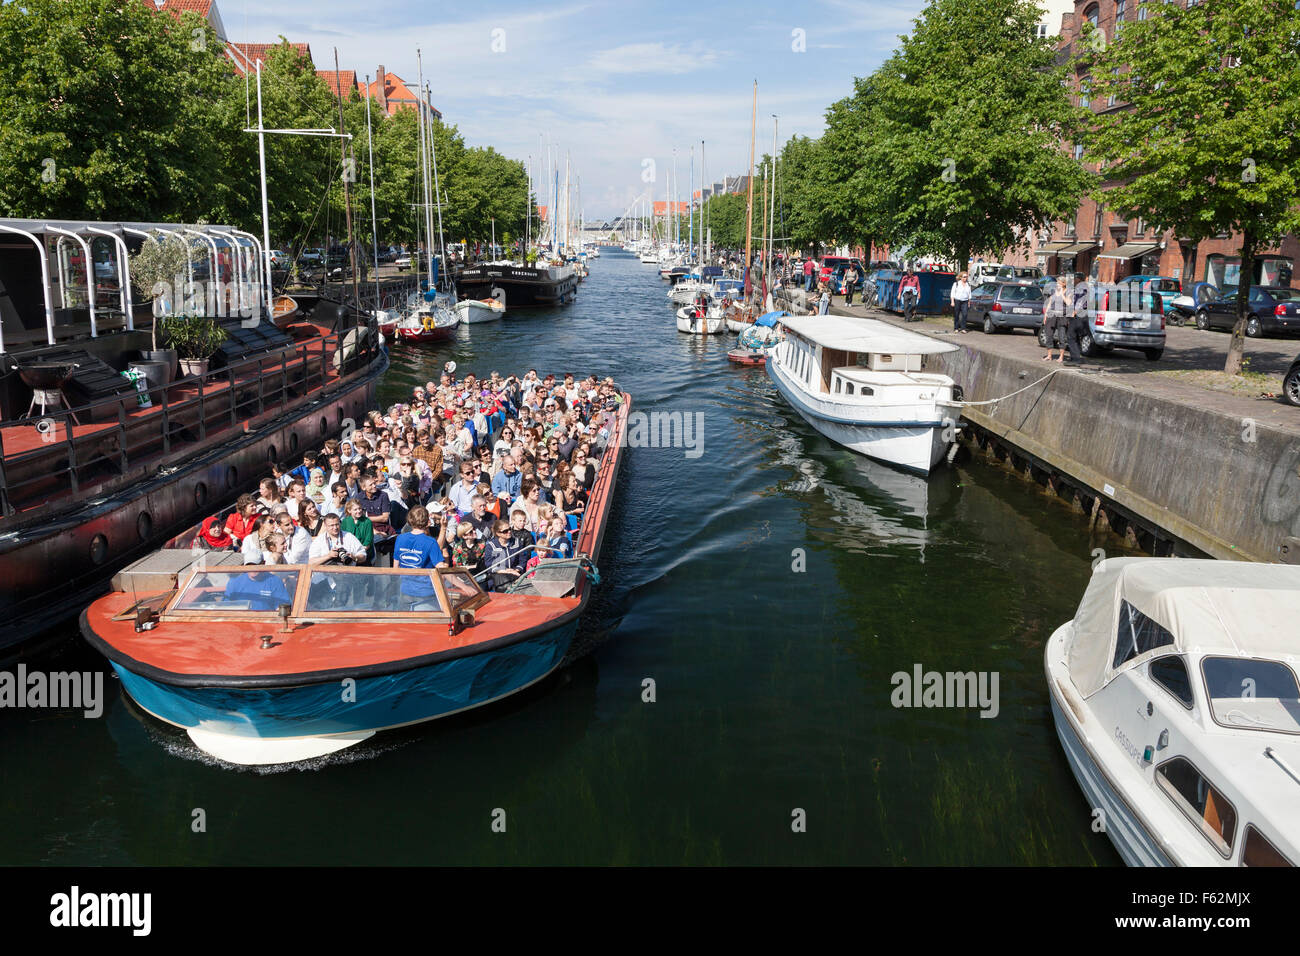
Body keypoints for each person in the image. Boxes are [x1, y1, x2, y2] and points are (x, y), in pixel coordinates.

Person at [392, 506, 448, 610]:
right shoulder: (430, 542)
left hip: (405, 590)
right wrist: (463, 586)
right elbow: (441, 567)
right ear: (428, 522)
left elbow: (396, 568)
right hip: (425, 593)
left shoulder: (400, 538)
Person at [223, 567, 292, 611]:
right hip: (240, 622)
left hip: (266, 623)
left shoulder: (274, 581)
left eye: (256, 564)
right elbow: (225, 606)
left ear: (262, 563)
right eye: (250, 565)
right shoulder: (235, 581)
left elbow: (282, 606)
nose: (253, 568)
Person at [1066, 273, 1091, 363]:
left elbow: (1079, 301)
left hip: (1078, 315)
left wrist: (1074, 312)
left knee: (1071, 336)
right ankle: (1076, 357)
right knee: (1076, 336)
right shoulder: (1087, 287)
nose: (1073, 280)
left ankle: (1076, 359)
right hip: (1084, 315)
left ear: (1079, 279)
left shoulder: (1080, 287)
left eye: (1075, 278)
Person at [1044, 277, 1069, 363]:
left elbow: (1068, 303)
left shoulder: (1067, 292)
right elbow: (1050, 303)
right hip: (1052, 315)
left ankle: (1061, 357)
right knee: (1049, 335)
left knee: (1061, 337)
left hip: (1062, 316)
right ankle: (1049, 356)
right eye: (1057, 283)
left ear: (1064, 284)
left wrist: (1062, 294)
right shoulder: (1054, 291)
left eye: (1059, 283)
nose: (1057, 284)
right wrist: (1046, 315)